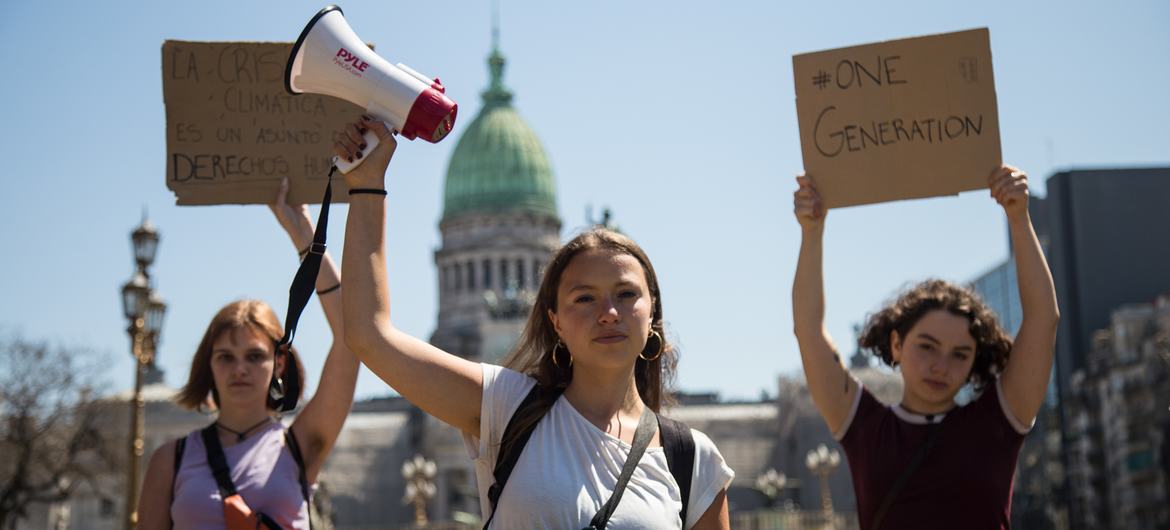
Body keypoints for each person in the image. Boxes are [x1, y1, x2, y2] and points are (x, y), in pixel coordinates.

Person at [337, 115, 734, 529]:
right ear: (555, 321)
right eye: (584, 297)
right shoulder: (506, 410)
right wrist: (368, 183)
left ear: (653, 312)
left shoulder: (692, 460)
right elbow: (369, 335)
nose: (608, 312)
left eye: (626, 294)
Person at [792, 165, 1060, 529]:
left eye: (959, 354)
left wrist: (1019, 217)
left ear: (973, 362)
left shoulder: (998, 419)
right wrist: (812, 231)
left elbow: (1044, 319)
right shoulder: (864, 425)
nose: (941, 365)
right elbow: (808, 329)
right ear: (897, 344)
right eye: (927, 347)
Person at [137, 178, 359, 530]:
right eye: (226, 356)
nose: (239, 368)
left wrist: (306, 237)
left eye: (254, 356)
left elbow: (352, 336)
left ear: (279, 362)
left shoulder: (300, 444)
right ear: (209, 364)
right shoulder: (170, 460)